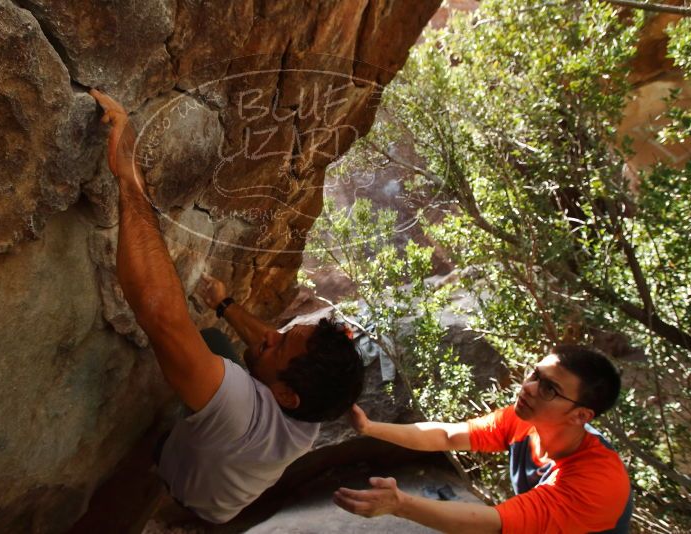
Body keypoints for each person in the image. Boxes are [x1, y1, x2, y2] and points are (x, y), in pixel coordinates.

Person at [89, 89, 364, 524]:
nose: (270, 334)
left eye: (279, 346)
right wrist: (225, 304)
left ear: (285, 396)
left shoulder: (239, 408)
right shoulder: (311, 409)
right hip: (226, 466)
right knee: (216, 339)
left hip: (196, 502)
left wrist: (128, 179)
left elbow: (162, 317)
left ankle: (157, 482)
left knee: (123, 500)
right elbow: (268, 344)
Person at [333, 345, 633, 533]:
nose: (528, 388)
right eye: (534, 375)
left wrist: (399, 504)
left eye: (549, 389)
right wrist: (369, 428)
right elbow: (448, 436)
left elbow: (492, 524)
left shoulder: (596, 482)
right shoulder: (524, 420)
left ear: (580, 416)